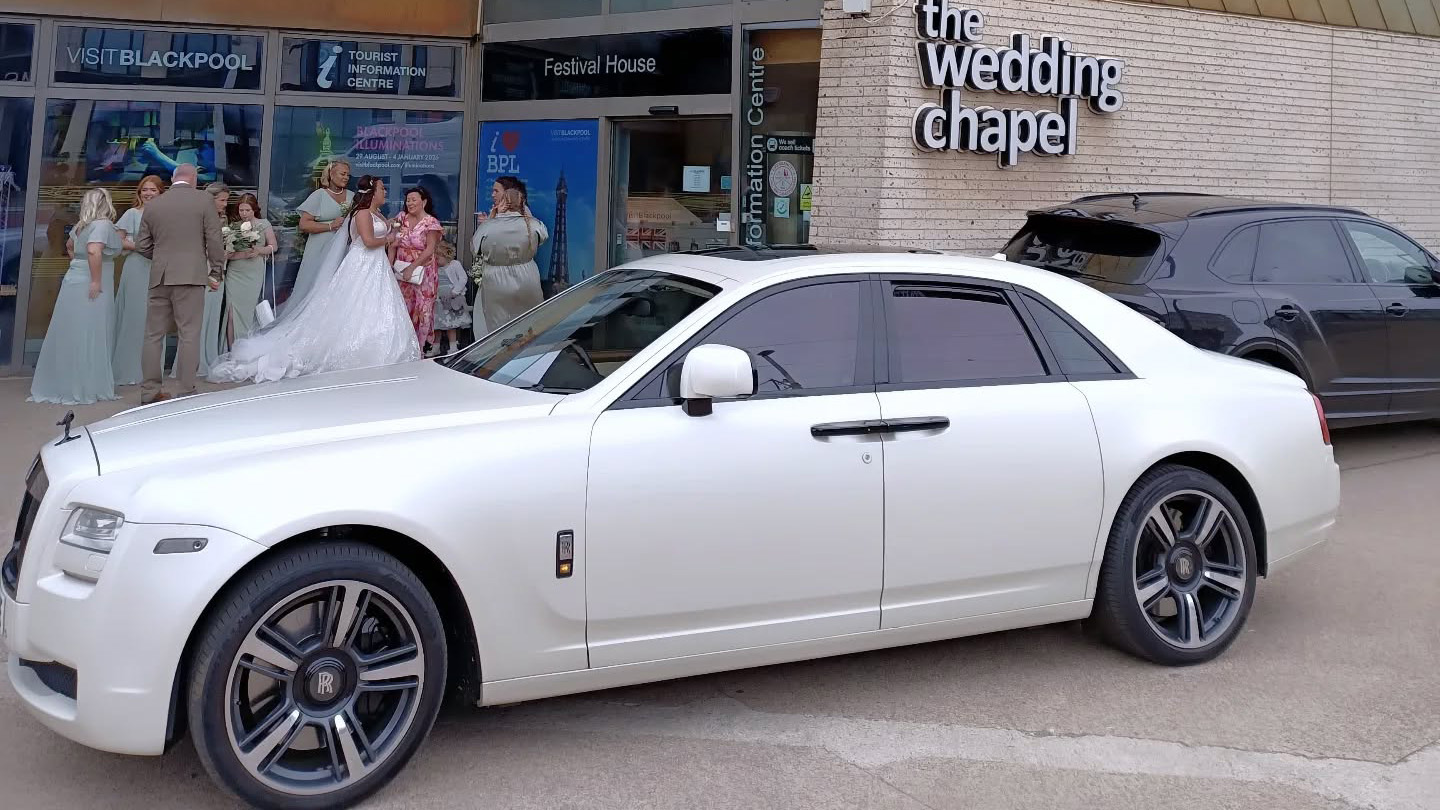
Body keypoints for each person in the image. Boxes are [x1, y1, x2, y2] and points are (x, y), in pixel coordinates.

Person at [207, 175, 420, 383]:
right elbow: (368, 241)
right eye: (382, 188)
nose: (385, 192)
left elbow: (379, 232)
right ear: (372, 193)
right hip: (363, 264)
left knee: (376, 306)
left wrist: (392, 225)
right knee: (356, 304)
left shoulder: (377, 213)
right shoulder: (362, 213)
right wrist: (390, 238)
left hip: (377, 265)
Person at [135, 162, 226, 404]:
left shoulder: (154, 204)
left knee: (153, 334)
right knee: (189, 333)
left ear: (174, 179)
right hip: (191, 275)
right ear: (193, 179)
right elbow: (214, 239)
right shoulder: (203, 201)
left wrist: (161, 258)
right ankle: (186, 390)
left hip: (160, 276)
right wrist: (216, 270)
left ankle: (150, 391)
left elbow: (141, 245)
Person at [29, 188, 122, 405]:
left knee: (72, 329)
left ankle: (66, 381)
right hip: (92, 281)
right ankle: (87, 385)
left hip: (74, 278)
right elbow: (94, 250)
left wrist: (77, 265)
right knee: (91, 331)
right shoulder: (102, 225)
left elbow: (70, 246)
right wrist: (95, 280)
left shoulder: (81, 226)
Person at [470, 185, 547, 336]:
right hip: (527, 275)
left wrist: (492, 217)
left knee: (497, 327)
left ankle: (502, 350)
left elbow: (474, 248)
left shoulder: (489, 226)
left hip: (495, 279)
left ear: (502, 203)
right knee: (530, 323)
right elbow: (543, 237)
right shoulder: (533, 224)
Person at [113, 174, 165, 386]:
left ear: (160, 192)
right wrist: (142, 247)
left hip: (158, 269)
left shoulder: (166, 215)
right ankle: (128, 369)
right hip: (136, 268)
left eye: (153, 190)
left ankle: (151, 370)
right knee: (134, 316)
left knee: (155, 318)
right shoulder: (132, 214)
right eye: (145, 190)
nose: (148, 193)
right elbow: (118, 241)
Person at [287, 158, 353, 312]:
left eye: (348, 175)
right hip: (319, 248)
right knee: (315, 283)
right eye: (342, 174)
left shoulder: (352, 196)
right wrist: (330, 226)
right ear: (331, 174)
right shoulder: (319, 195)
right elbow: (304, 224)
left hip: (343, 249)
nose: (346, 177)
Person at [392, 186, 442, 353]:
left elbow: (430, 249)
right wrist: (390, 266)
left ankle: (420, 349)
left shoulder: (431, 222)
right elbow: (393, 242)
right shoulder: (401, 217)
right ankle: (404, 348)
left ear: (424, 202)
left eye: (414, 200)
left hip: (424, 271)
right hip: (402, 271)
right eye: (408, 200)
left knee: (423, 310)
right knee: (404, 307)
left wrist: (412, 268)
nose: (410, 203)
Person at [223, 193, 276, 343]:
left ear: (254, 210)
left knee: (248, 310)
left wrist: (259, 250)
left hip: (253, 272)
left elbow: (273, 246)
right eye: (241, 210)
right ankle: (232, 349)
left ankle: (246, 345)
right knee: (231, 313)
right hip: (235, 272)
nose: (244, 213)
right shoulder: (234, 227)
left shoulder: (263, 224)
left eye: (247, 210)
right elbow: (228, 252)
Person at [432, 240, 469, 356]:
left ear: (445, 255)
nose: (436, 260)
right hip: (438, 298)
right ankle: (435, 347)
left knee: (450, 324)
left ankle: (453, 347)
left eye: (438, 258)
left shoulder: (454, 264)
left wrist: (455, 291)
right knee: (436, 323)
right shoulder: (434, 267)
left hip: (450, 298)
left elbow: (463, 278)